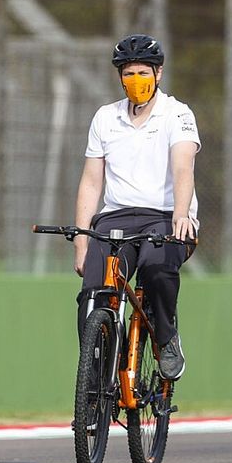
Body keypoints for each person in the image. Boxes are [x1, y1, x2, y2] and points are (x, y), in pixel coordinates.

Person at [74, 33, 198, 381]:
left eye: (143, 73)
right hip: (116, 219)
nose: (136, 81)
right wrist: (82, 240)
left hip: (164, 218)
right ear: (119, 77)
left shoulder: (178, 114)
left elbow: (182, 167)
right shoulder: (105, 117)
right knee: (92, 298)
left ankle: (166, 335)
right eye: (128, 74)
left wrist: (181, 213)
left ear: (158, 74)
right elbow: (91, 181)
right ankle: (96, 379)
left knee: (157, 271)